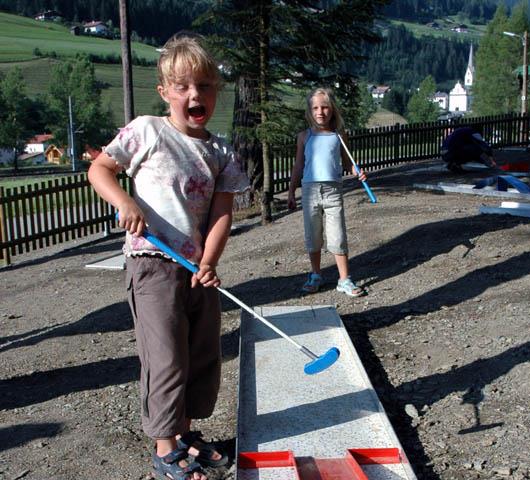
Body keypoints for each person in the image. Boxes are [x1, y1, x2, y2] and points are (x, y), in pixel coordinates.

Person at [88, 33, 249, 480]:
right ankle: (164, 449)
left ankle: (184, 433)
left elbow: (221, 214)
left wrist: (210, 261)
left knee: (201, 355)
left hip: (197, 268)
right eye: (182, 86)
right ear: (164, 92)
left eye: (205, 86)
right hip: (152, 263)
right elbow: (99, 169)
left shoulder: (220, 151)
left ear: (216, 91)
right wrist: (125, 202)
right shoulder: (146, 131)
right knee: (166, 358)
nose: (195, 95)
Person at [287, 87, 367, 298]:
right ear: (309, 111)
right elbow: (298, 165)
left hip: (333, 191)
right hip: (309, 192)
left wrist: (357, 171)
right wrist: (291, 191)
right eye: (315, 108)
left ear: (332, 109)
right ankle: (315, 275)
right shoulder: (304, 137)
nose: (320, 112)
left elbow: (348, 162)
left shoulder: (338, 135)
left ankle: (344, 279)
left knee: (337, 234)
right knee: (313, 235)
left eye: (324, 107)